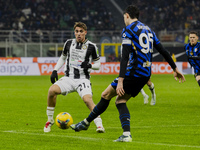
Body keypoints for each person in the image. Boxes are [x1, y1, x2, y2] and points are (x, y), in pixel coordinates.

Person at [70, 5, 185, 142]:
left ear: (126, 15)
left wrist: (120, 80)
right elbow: (163, 50)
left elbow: (124, 57)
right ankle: (125, 134)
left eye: (124, 17)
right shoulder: (149, 30)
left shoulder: (128, 30)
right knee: (120, 101)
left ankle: (86, 123)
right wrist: (175, 68)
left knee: (105, 95)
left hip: (134, 72)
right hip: (145, 74)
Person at [43, 22, 105, 133]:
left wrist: (90, 65)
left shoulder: (92, 46)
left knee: (88, 100)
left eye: (81, 31)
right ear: (74, 32)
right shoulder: (68, 43)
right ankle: (49, 120)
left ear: (85, 32)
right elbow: (63, 57)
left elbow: (98, 65)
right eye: (76, 31)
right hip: (69, 78)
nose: (79, 34)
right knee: (52, 90)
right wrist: (55, 70)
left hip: (83, 79)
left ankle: (99, 125)